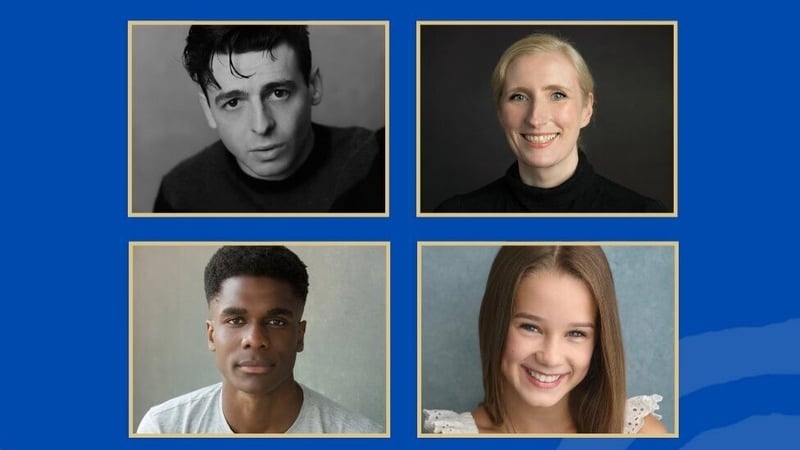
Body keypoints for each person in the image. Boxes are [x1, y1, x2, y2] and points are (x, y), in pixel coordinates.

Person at [422, 245, 667, 434]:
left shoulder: (642, 434)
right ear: (495, 323)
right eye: (530, 327)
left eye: (576, 333)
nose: (550, 357)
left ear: (599, 342)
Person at [137, 246, 381, 433]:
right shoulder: (164, 428)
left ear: (300, 336)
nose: (255, 339)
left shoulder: (361, 436)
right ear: (211, 335)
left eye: (276, 322)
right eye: (235, 320)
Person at [153, 25, 384, 213]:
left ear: (313, 86)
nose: (261, 125)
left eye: (278, 93)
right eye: (233, 103)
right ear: (208, 110)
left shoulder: (377, 162)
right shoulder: (179, 197)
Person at [435, 34, 665, 213]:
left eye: (557, 95)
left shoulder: (645, 216)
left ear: (586, 109)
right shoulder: (454, 215)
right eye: (519, 97)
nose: (536, 118)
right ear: (500, 111)